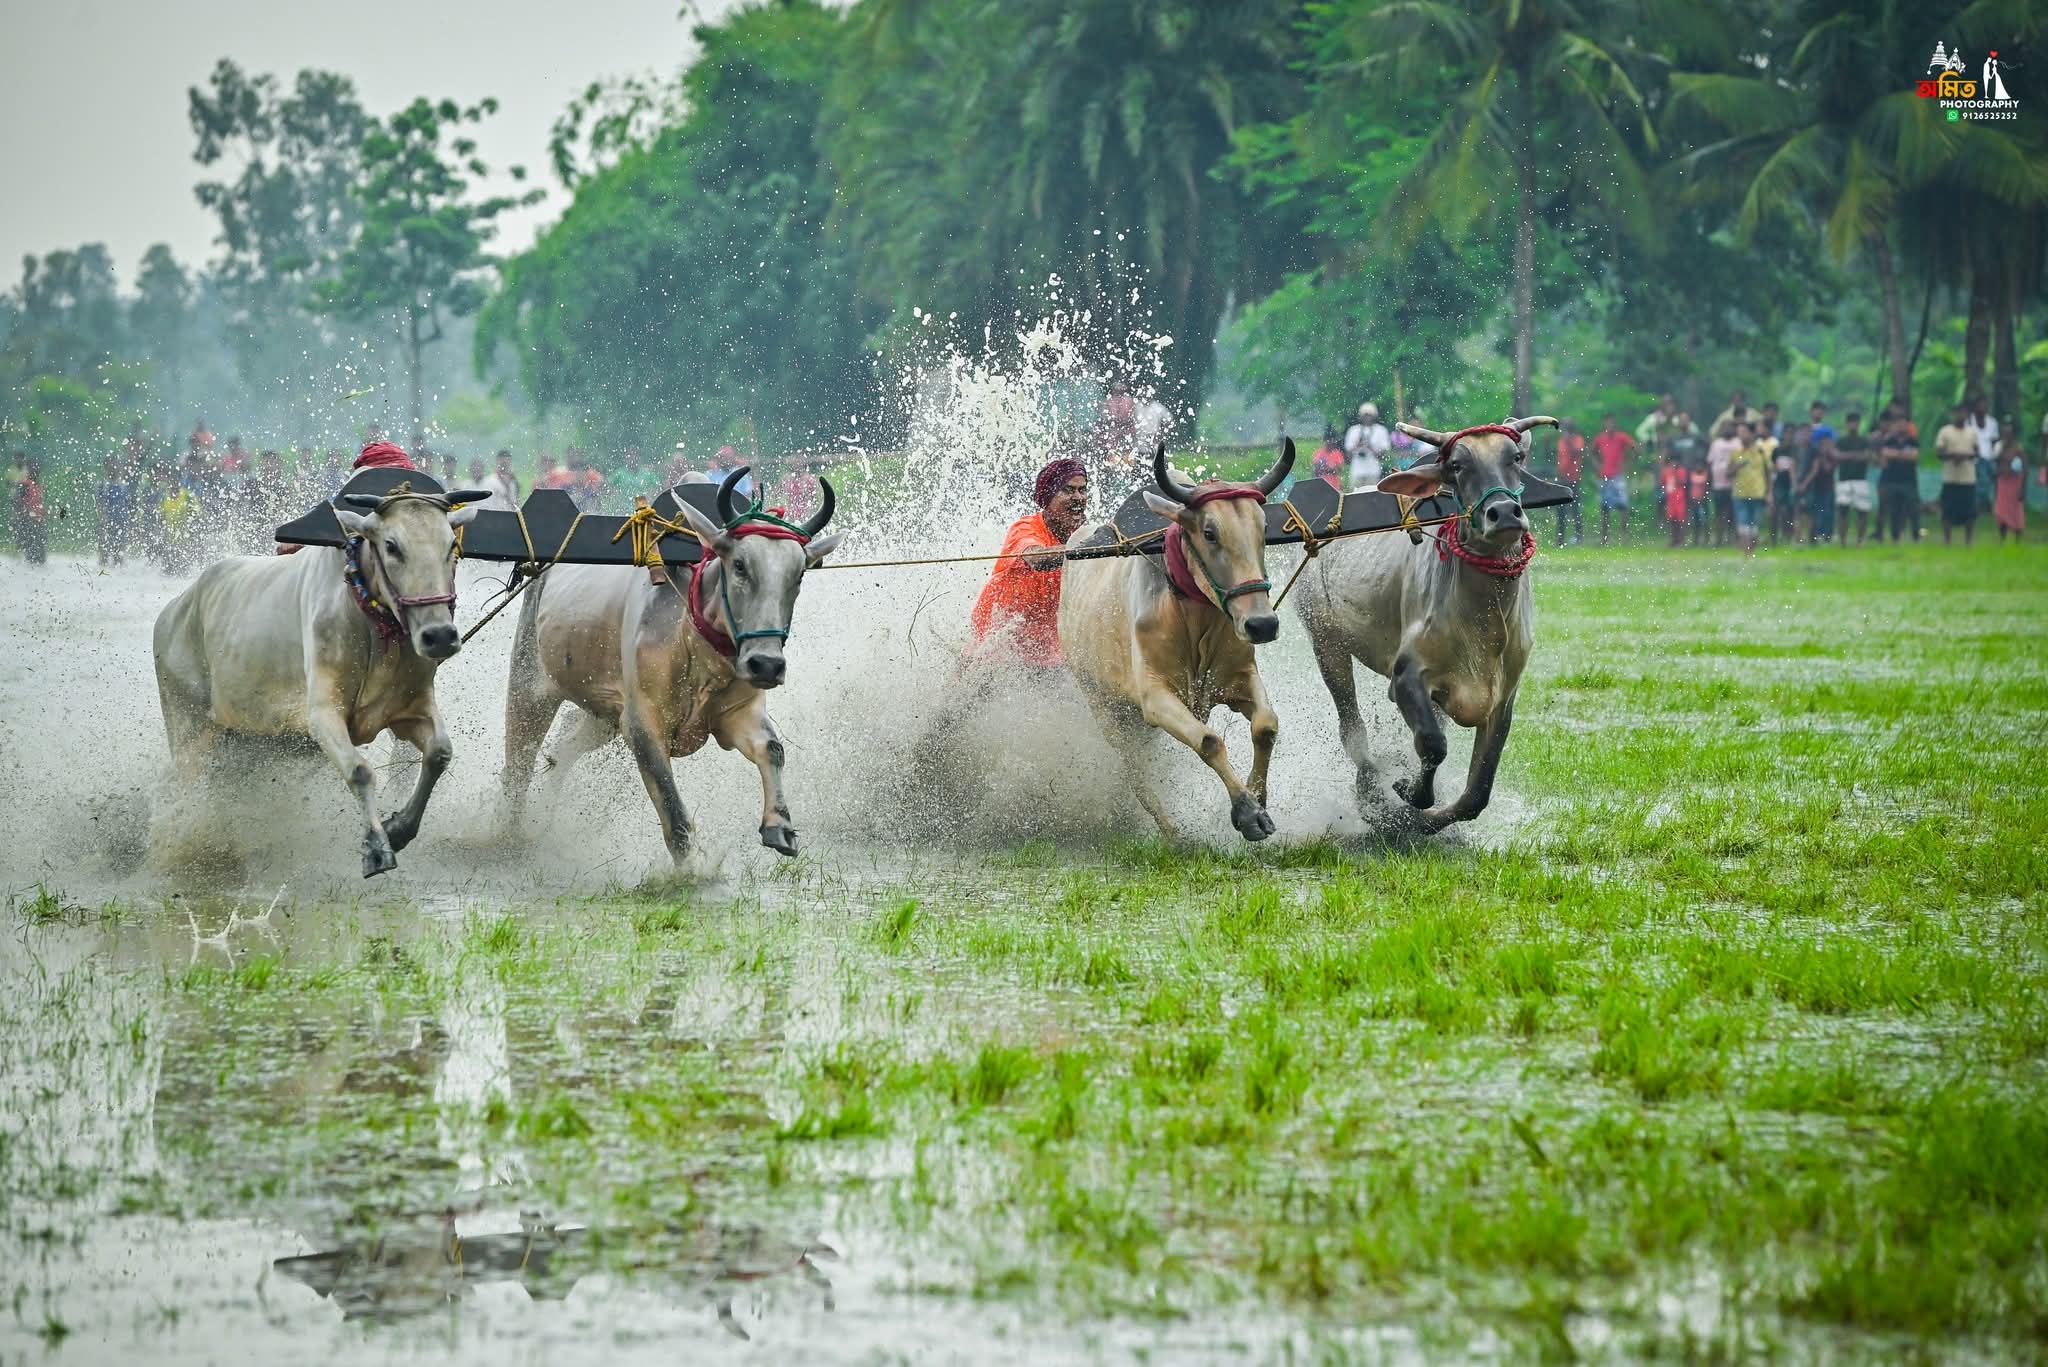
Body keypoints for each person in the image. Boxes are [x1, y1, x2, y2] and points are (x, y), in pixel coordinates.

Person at [966, 457, 1089, 667]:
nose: (1078, 497)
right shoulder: (1025, 528)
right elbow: (1037, 559)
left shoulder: (1084, 536)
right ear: (1048, 498)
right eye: (1068, 490)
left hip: (1047, 652)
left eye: (1082, 490)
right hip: (995, 640)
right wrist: (1088, 547)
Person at [1934, 403, 1980, 544]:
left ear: (1967, 415)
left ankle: (1968, 541)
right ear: (1953, 414)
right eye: (1958, 412)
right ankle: (1947, 540)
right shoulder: (1945, 431)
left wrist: (1965, 456)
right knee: (1947, 511)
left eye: (1963, 412)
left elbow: (1977, 452)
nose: (1960, 415)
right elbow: (1939, 452)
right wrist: (1952, 456)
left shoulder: (1972, 432)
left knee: (1970, 512)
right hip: (1950, 478)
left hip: (1968, 478)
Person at [1876, 410, 1922, 544]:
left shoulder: (1913, 441)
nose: (1901, 426)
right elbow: (1885, 454)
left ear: (1908, 425)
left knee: (1913, 509)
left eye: (1904, 423)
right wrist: (1904, 454)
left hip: (1909, 481)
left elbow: (1914, 456)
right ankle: (1893, 536)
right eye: (1899, 423)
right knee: (1893, 510)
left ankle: (1916, 535)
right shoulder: (1889, 440)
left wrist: (1895, 454)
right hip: (1891, 480)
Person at [1727, 421, 1770, 558]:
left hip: (1757, 492)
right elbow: (1728, 473)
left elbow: (1768, 472)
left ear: (1752, 434)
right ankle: (1746, 553)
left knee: (1754, 525)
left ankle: (1751, 550)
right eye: (1739, 433)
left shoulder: (1760, 452)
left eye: (1744, 432)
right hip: (1740, 493)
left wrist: (1769, 493)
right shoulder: (1735, 453)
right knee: (1743, 523)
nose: (1741, 435)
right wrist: (1737, 467)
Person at [1592, 413, 1635, 544]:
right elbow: (1592, 452)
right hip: (1605, 475)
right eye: (1607, 423)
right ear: (1604, 424)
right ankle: (1604, 538)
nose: (1610, 425)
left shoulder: (1621, 437)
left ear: (1615, 424)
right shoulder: (1600, 438)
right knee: (1604, 508)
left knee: (1623, 506)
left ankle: (1624, 537)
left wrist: (1628, 464)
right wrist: (1598, 466)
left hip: (1618, 476)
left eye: (1612, 423)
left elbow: (1636, 449)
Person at [1831, 412, 1873, 546]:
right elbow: (1836, 455)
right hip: (1844, 480)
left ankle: (1860, 540)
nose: (1853, 425)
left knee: (1863, 511)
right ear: (1847, 424)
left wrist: (1847, 456)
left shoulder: (1864, 440)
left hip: (1860, 479)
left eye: (1856, 422)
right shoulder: (1841, 441)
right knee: (1843, 510)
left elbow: (1867, 456)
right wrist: (1856, 455)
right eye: (1851, 422)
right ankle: (1843, 541)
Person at [1797, 405, 1836, 544]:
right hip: (1809, 480)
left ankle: (1823, 534)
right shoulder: (1801, 444)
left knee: (1823, 508)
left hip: (1822, 479)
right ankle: (1805, 536)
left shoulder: (1828, 430)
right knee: (1804, 510)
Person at [1553, 418, 1586, 546]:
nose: (1564, 430)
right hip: (1562, 479)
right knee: (1560, 511)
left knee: (1575, 510)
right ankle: (1560, 539)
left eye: (1566, 427)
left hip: (1574, 480)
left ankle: (1579, 538)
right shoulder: (1561, 440)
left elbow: (1577, 452)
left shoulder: (1577, 439)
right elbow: (1560, 458)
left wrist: (1569, 441)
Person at [1706, 421, 1738, 548]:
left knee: (1732, 513)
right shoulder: (1716, 444)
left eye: (1729, 427)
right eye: (1724, 427)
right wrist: (1708, 482)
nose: (1727, 430)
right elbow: (1710, 462)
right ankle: (1718, 538)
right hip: (1718, 484)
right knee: (1719, 513)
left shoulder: (1737, 443)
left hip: (1734, 484)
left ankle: (1732, 538)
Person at [1343, 403, 1390, 489]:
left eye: (1369, 415)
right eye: (1365, 415)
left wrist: (1370, 447)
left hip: (1373, 471)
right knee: (1355, 497)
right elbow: (1348, 454)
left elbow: (1383, 454)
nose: (1367, 417)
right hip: (1356, 471)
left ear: (1374, 416)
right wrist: (1357, 445)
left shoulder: (1381, 430)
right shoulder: (1354, 430)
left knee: (1372, 497)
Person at [1993, 428, 2026, 541]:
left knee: (2016, 510)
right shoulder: (2000, 449)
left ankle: (2018, 538)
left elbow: (2025, 468)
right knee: (2001, 510)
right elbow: (1996, 464)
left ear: (2013, 436)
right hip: (2003, 482)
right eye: (2004, 434)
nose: (2006, 437)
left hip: (2015, 483)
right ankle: (2003, 538)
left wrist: (2022, 489)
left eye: (2009, 434)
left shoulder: (2018, 449)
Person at [1968, 394, 1999, 516]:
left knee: (1988, 483)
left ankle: (1987, 506)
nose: (1982, 407)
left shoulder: (1992, 422)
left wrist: (1995, 456)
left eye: (1984, 404)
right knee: (1981, 483)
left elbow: (1994, 442)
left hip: (1989, 457)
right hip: (1975, 458)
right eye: (1980, 404)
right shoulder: (1969, 421)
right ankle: (1977, 508)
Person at [14, 458, 49, 564]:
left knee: (41, 548)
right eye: (34, 468)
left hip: (39, 520)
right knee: (31, 549)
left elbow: (40, 502)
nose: (36, 470)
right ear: (29, 469)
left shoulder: (38, 484)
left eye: (38, 468)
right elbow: (17, 501)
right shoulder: (24, 484)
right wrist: (25, 515)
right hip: (28, 520)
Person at [1659, 445, 1688, 547]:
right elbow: (1662, 482)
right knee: (1672, 520)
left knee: (1680, 520)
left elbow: (1682, 482)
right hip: (1670, 498)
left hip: (1679, 497)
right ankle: (1673, 539)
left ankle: (1681, 540)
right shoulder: (1666, 471)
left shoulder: (1681, 471)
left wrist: (1675, 472)